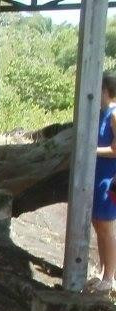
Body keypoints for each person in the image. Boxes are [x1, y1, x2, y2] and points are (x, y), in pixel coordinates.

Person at [90, 72, 116, 296]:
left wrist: (90, 150)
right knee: (98, 224)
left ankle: (110, 277)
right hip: (98, 174)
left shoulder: (114, 114)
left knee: (106, 227)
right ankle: (102, 272)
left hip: (109, 177)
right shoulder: (101, 113)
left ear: (106, 90)